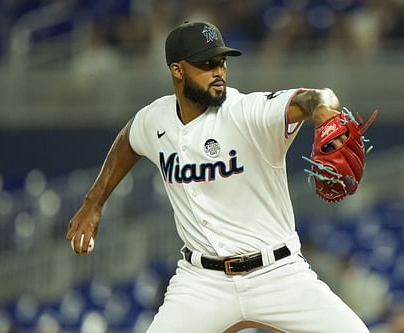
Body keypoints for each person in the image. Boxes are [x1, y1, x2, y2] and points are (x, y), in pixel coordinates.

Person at [66, 21, 370, 333]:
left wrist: (323, 112)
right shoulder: (155, 119)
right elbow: (128, 141)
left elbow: (317, 97)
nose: (218, 71)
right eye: (206, 64)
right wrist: (94, 202)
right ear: (177, 70)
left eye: (221, 62)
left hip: (277, 274)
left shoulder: (247, 112)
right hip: (201, 282)